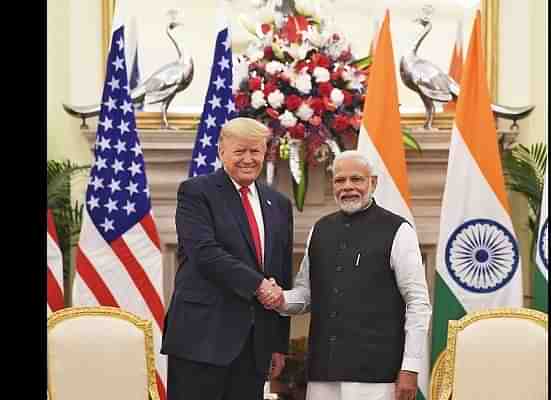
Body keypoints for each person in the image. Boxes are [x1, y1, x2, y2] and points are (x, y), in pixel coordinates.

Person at [260, 150, 432, 400]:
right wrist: (280, 299)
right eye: (340, 180)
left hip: (376, 375)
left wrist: (410, 366)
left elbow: (418, 302)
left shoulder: (398, 229)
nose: (348, 187)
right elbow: (306, 294)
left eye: (356, 179)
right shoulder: (319, 229)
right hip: (323, 373)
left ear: (373, 182)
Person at [161, 117, 293, 400]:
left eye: (255, 151)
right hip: (201, 340)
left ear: (265, 152)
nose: (248, 159)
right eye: (239, 151)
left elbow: (280, 273)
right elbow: (205, 253)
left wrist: (278, 343)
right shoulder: (196, 192)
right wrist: (258, 285)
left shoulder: (279, 204)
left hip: (254, 346)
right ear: (222, 152)